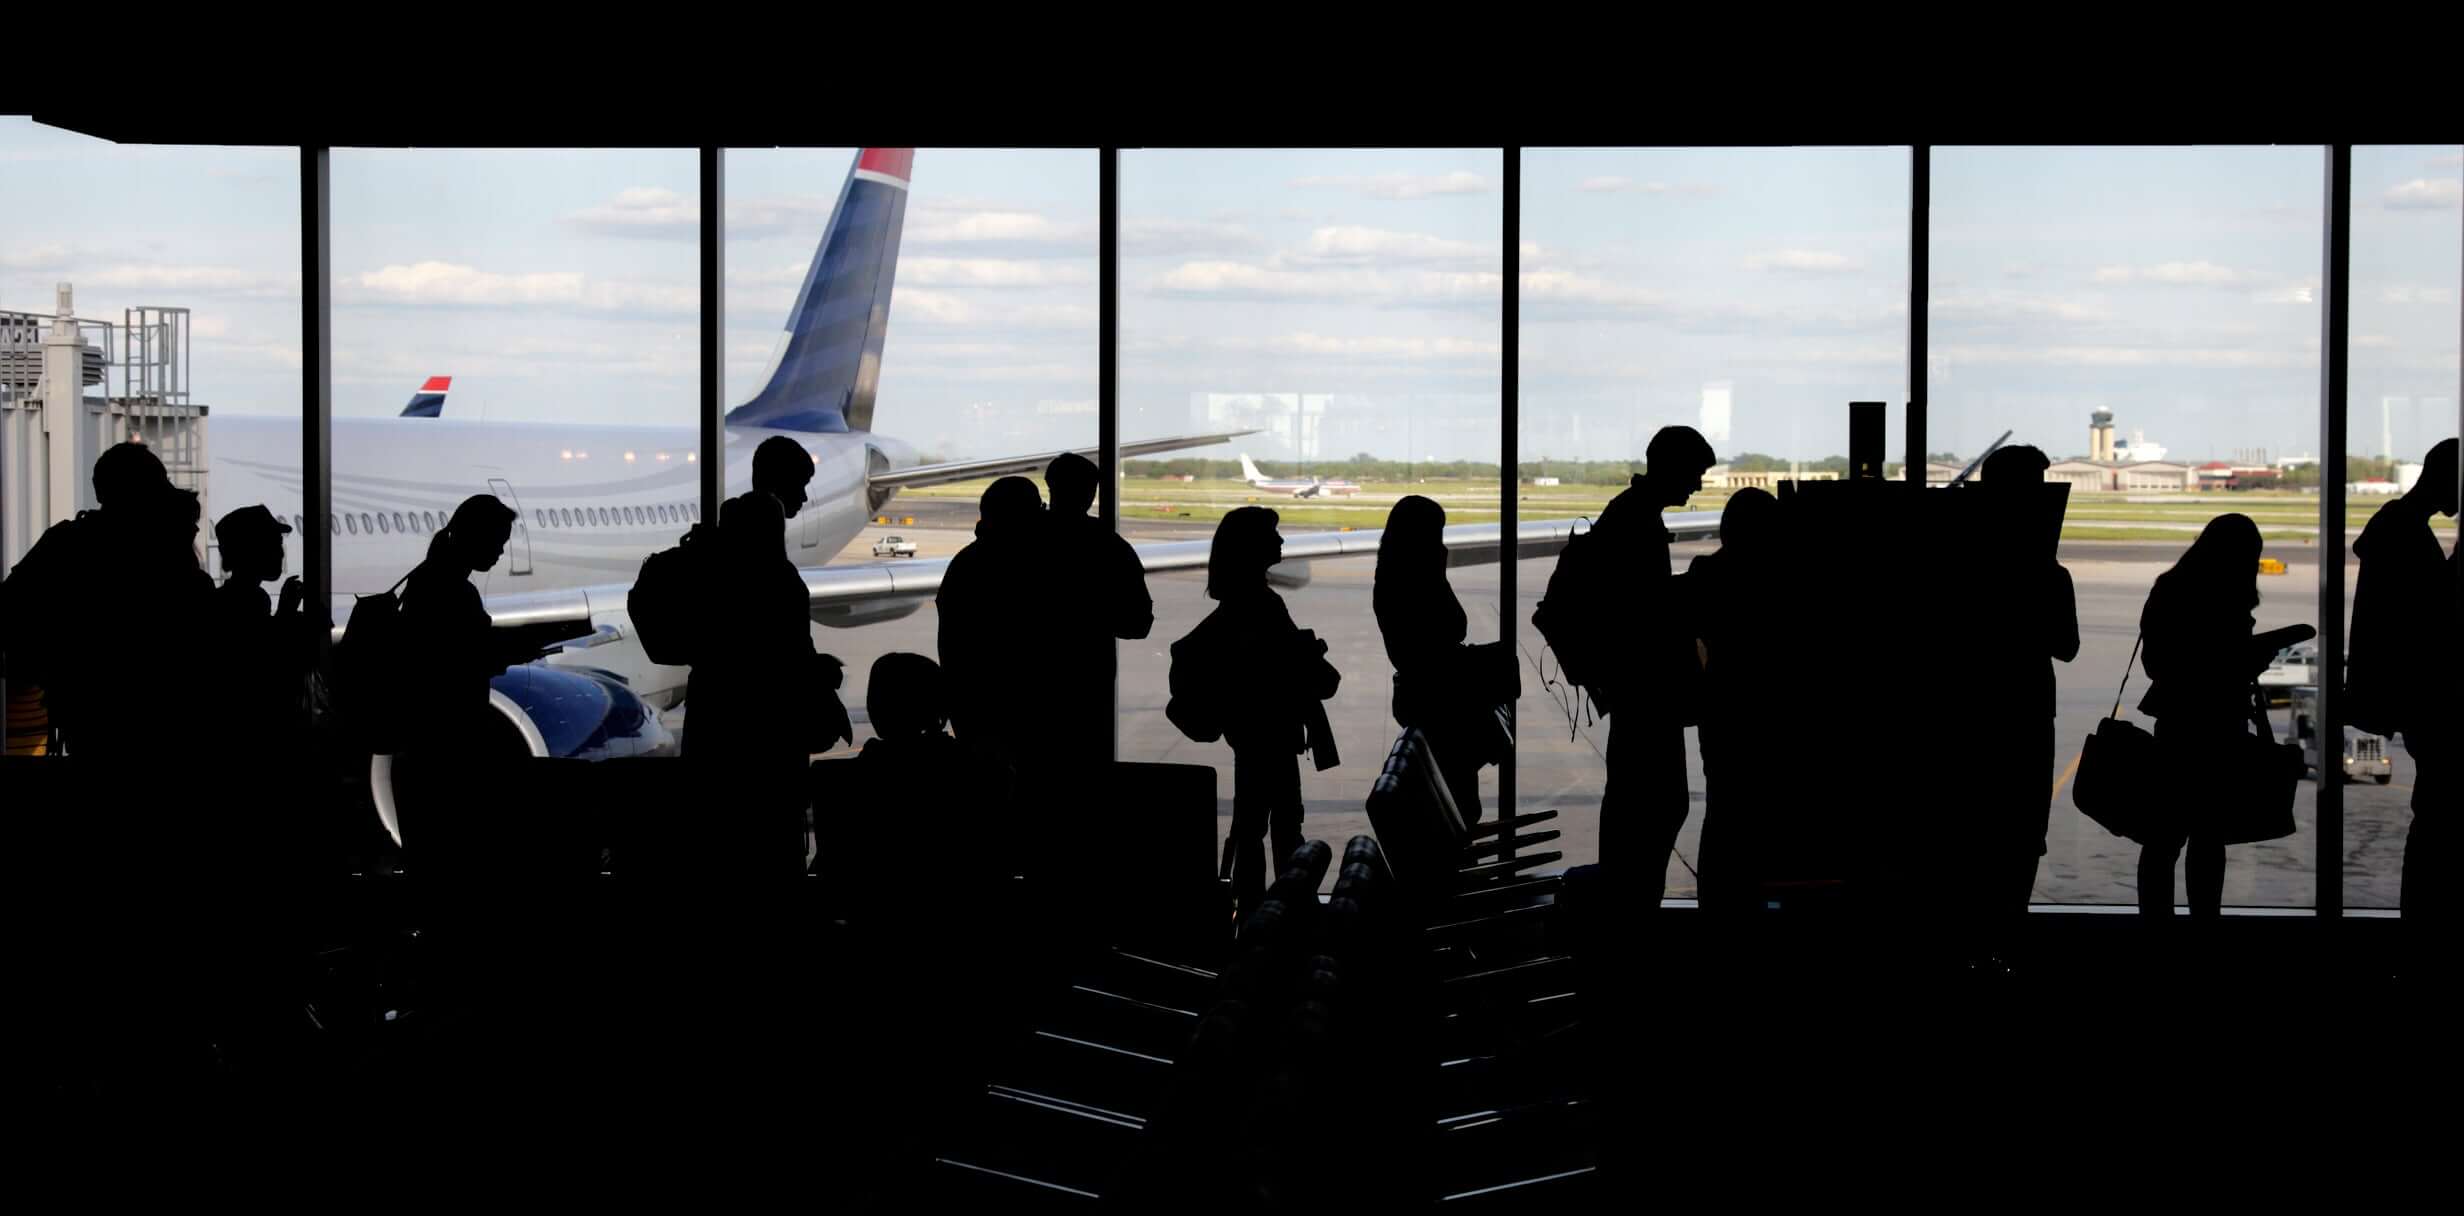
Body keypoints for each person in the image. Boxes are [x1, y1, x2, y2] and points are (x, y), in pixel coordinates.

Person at [2135, 514, 2312, 920]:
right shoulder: (2226, 597)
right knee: (2208, 837)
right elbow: (2217, 665)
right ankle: (2205, 923)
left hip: (2177, 724)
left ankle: (2155, 922)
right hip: (2218, 726)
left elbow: (2156, 664)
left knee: (2163, 838)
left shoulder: (2171, 588)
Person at [1169, 507, 1341, 920]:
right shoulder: (1260, 604)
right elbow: (1280, 665)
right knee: (1277, 828)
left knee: (1254, 826)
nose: (1281, 543)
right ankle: (1278, 914)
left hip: (1253, 733)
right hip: (1269, 733)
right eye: (1273, 535)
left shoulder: (1245, 604)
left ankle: (1255, 912)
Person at [1966, 445, 2080, 959]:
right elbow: (2068, 647)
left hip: (1971, 712)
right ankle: (2008, 936)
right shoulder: (2048, 575)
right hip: (2028, 711)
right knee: (2023, 831)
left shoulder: (1959, 566)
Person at [1594, 425, 1716, 903]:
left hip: (1635, 695)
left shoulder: (1631, 514)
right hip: (1644, 696)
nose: (1698, 486)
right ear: (1673, 467)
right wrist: (1697, 584)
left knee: (1643, 806)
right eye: (1695, 473)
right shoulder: (1637, 521)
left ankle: (1630, 907)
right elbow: (1644, 612)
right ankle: (1632, 913)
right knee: (1655, 806)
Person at [2350, 437, 2458, 950]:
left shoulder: (2397, 525)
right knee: (2436, 824)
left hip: (2410, 697)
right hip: (2425, 695)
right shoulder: (2406, 532)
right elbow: (2434, 614)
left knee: (2433, 820)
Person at [1374, 494, 1505, 821]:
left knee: (1459, 802)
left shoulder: (1393, 580)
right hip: (1441, 704)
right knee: (1461, 804)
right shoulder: (1418, 584)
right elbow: (1454, 627)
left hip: (1425, 700)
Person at [1684, 487, 1782, 915]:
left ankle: (1718, 910)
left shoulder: (1705, 572)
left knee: (1722, 814)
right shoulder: (1774, 580)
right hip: (1759, 715)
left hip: (1719, 712)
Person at [1041, 451, 1152, 769]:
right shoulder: (1108, 546)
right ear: (1092, 492)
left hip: (1024, 695)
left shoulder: (1017, 543)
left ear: (1050, 485)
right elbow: (1139, 624)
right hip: (1086, 690)